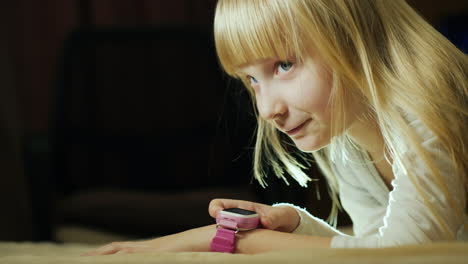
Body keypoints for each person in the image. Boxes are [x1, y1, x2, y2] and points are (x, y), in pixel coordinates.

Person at [84, 0, 467, 255]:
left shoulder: (428, 103)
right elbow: (374, 250)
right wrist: (299, 225)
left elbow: (410, 256)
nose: (266, 109)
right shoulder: (348, 134)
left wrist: (238, 240)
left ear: (351, 34)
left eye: (284, 65)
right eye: (250, 80)